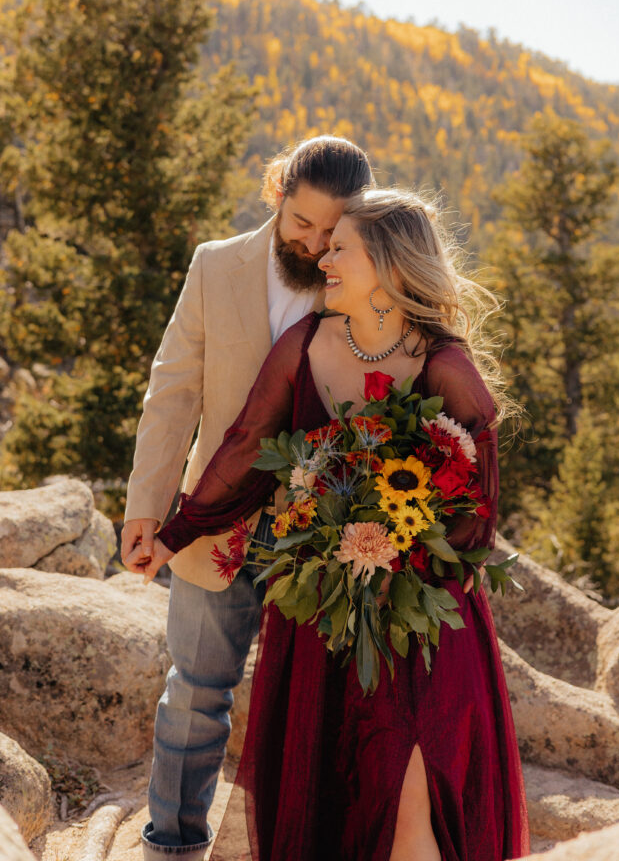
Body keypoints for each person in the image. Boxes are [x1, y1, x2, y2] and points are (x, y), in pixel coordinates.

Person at [132, 188, 530, 861]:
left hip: (417, 623)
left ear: (385, 260)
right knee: (327, 797)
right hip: (319, 615)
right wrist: (173, 535)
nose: (324, 259)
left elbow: (475, 511)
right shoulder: (303, 344)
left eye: (340, 247)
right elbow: (249, 454)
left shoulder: (444, 365)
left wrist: (391, 552)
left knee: (411, 797)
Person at [121, 135, 375, 861]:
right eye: (302, 223)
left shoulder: (363, 274)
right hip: (209, 526)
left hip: (322, 541)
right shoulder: (214, 264)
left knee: (319, 711)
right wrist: (147, 507)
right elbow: (173, 392)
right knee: (196, 694)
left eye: (334, 231)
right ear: (276, 193)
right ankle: (170, 846)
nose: (317, 244)